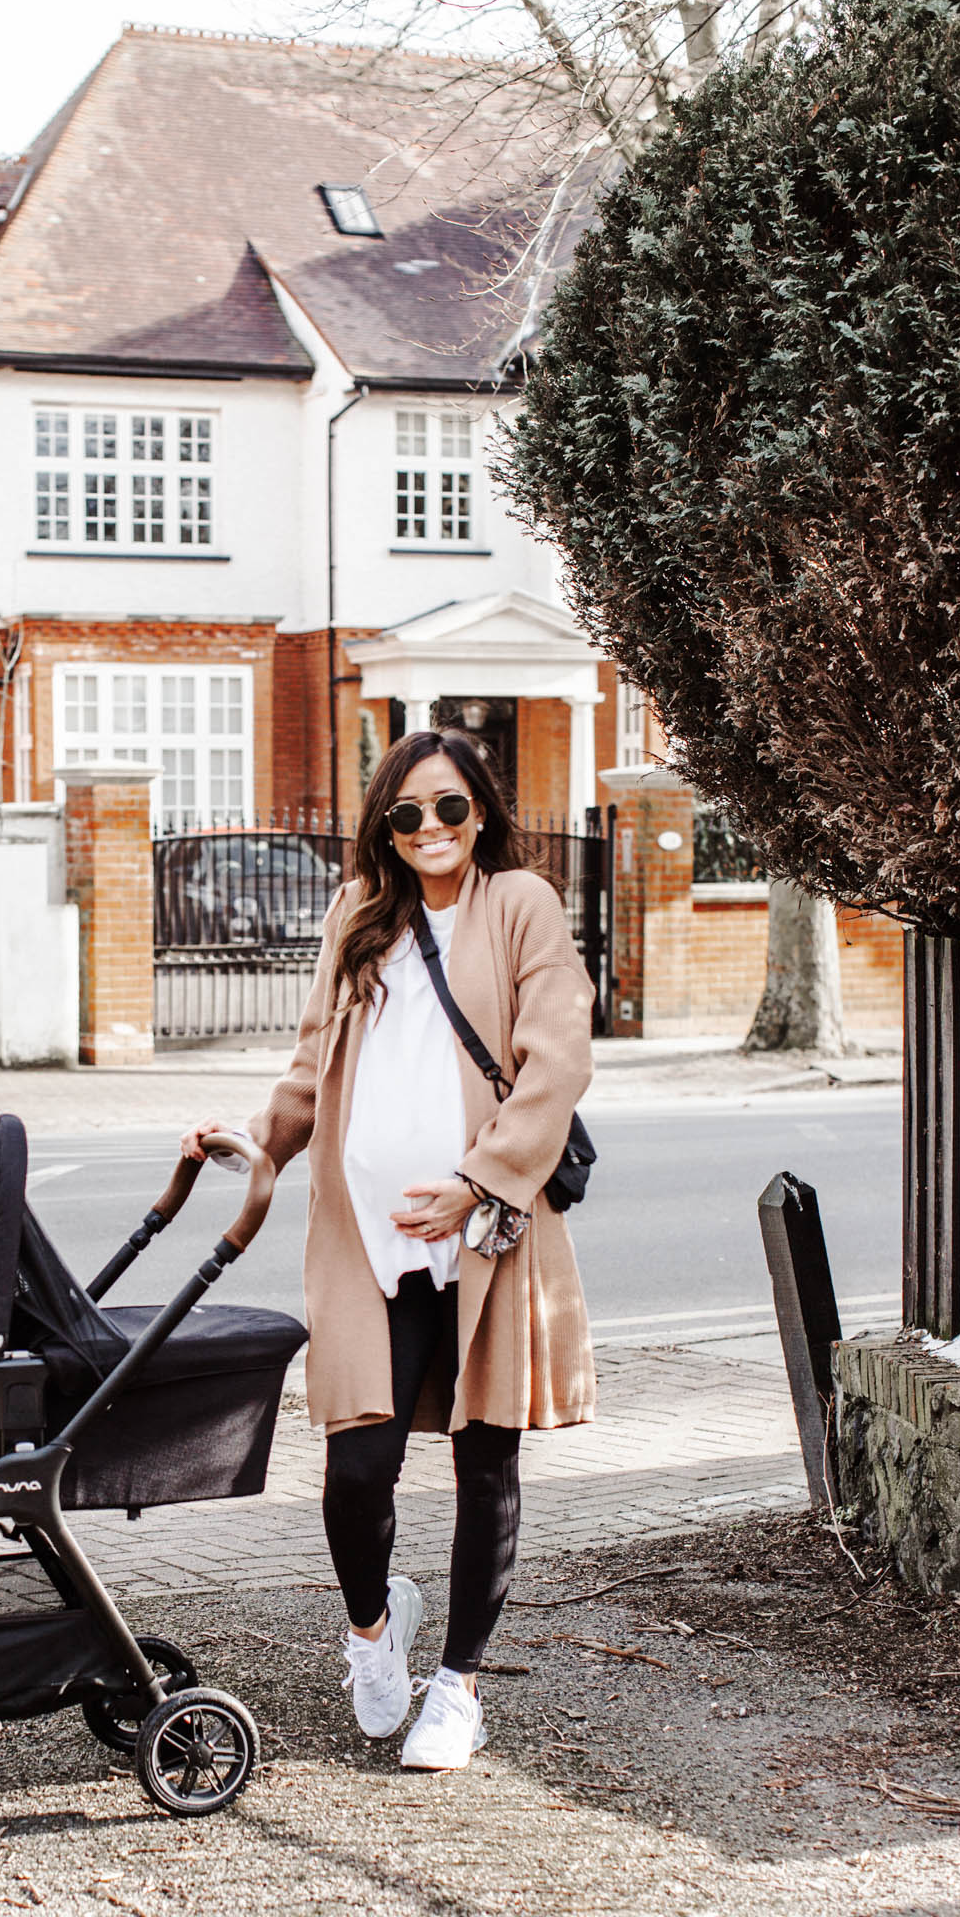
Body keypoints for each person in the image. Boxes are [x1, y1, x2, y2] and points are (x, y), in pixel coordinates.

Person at [182, 729, 595, 1771]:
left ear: (483, 813)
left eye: (450, 809)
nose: (431, 832)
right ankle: (372, 1635)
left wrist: (475, 1183)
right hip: (367, 1243)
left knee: (485, 1452)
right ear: (386, 826)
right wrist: (253, 1140)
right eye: (408, 815)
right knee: (357, 1462)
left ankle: (457, 1688)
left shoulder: (520, 908)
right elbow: (313, 1062)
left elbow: (557, 1060)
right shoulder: (359, 913)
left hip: (488, 1237)